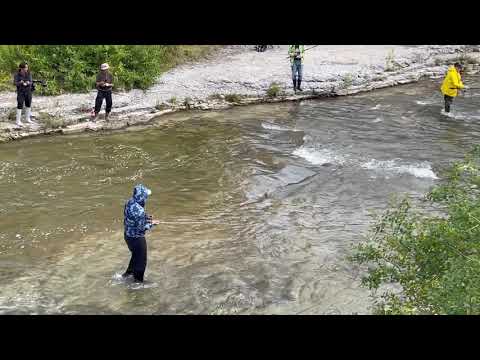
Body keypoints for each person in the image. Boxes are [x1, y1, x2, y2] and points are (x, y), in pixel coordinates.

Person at [123, 184, 160, 283]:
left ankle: (127, 275)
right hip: (136, 239)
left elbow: (132, 218)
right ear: (142, 196)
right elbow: (141, 228)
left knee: (135, 256)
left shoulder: (129, 202)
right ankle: (137, 283)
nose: (147, 198)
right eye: (145, 196)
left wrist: (147, 217)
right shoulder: (139, 211)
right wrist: (152, 224)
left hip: (128, 235)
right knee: (141, 261)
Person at [13, 62, 34, 127]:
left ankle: (27, 119)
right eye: (25, 67)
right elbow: (15, 83)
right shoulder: (17, 74)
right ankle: (18, 121)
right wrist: (20, 82)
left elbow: (31, 82)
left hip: (28, 91)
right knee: (20, 104)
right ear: (21, 68)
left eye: (27, 67)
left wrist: (28, 83)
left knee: (28, 104)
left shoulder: (29, 73)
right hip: (21, 92)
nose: (26, 69)